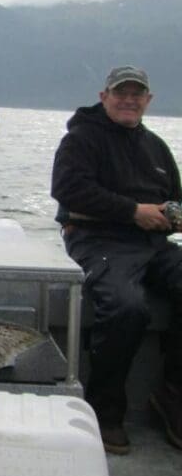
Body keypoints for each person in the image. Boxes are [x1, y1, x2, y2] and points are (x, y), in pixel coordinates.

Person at [51, 65, 182, 455]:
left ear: (148, 100)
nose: (129, 99)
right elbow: (68, 189)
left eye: (136, 93)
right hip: (98, 240)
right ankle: (104, 410)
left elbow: (174, 197)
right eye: (120, 92)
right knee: (127, 307)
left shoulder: (157, 147)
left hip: (153, 245)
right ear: (104, 95)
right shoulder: (82, 139)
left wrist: (170, 214)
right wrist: (132, 211)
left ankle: (171, 396)